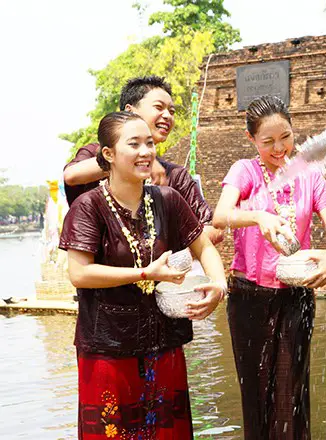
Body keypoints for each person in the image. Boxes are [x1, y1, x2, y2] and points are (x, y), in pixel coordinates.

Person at [59, 111, 228, 439]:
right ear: (108, 154)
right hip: (107, 348)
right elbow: (79, 273)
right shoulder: (89, 207)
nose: (146, 152)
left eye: (149, 143)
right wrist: (144, 273)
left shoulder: (168, 200)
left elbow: (204, 248)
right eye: (133, 144)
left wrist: (219, 285)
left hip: (163, 342)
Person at [212, 95, 326, 440]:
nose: (278, 148)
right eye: (268, 141)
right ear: (251, 140)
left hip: (295, 297)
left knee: (291, 394)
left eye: (285, 137)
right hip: (248, 298)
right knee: (256, 395)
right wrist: (258, 216)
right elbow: (221, 215)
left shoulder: (311, 174)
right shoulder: (245, 172)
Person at [62, 75, 222, 244]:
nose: (167, 115)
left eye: (172, 111)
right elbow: (71, 176)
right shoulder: (95, 152)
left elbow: (212, 230)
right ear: (129, 111)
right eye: (158, 107)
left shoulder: (175, 176)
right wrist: (134, 162)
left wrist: (169, 260)